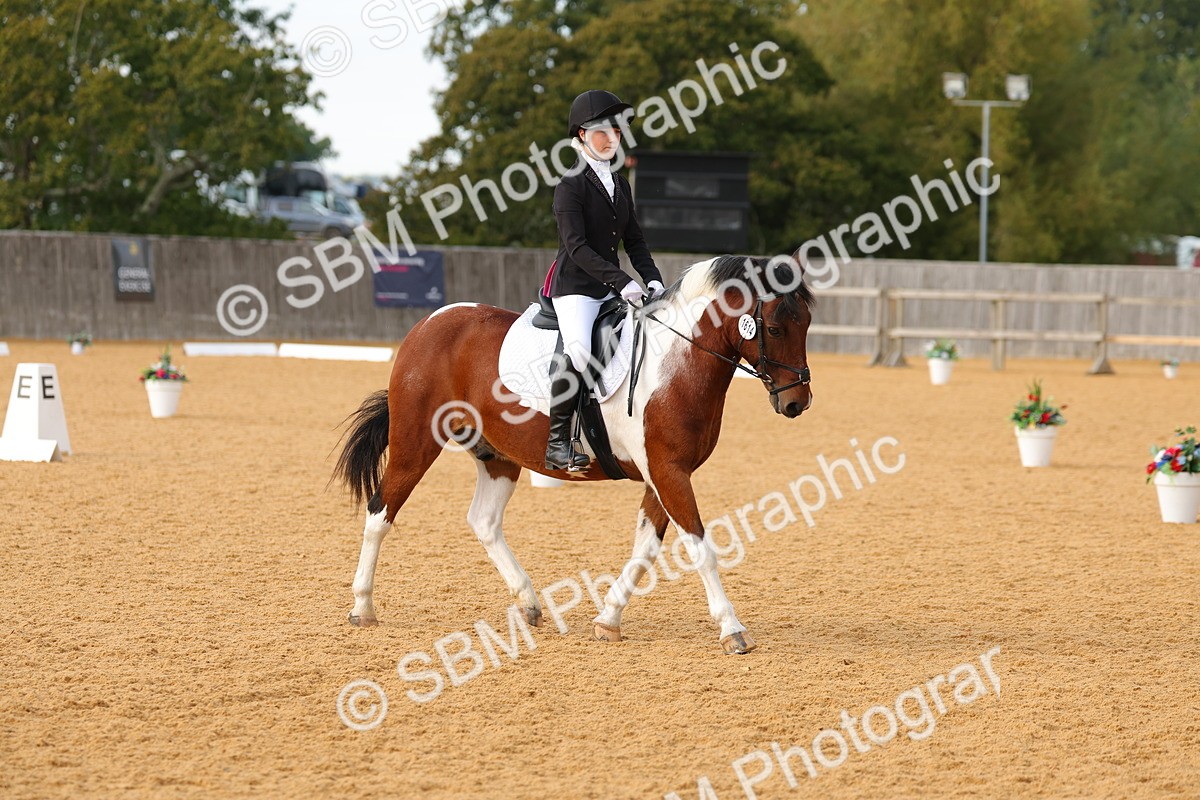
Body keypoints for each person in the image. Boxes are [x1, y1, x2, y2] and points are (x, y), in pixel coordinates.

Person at [544, 89, 665, 471]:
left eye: (616, 129)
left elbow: (636, 241)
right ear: (581, 135)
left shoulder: (619, 184)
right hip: (576, 289)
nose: (611, 137)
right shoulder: (570, 185)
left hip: (610, 288)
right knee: (579, 350)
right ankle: (558, 441)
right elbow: (577, 247)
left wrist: (653, 279)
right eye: (602, 130)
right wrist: (623, 282)